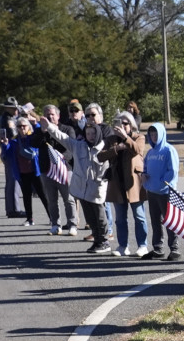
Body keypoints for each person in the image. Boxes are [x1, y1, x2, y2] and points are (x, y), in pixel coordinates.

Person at [39, 104, 111, 254]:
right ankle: (97, 240)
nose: (90, 136)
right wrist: (50, 128)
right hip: (81, 188)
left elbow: (104, 171)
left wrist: (98, 183)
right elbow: (62, 137)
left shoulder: (103, 149)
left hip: (96, 189)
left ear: (97, 134)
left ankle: (104, 241)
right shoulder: (79, 146)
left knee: (100, 217)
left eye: (93, 133)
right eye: (88, 133)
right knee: (90, 218)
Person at [99, 112, 149, 257]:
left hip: (133, 183)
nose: (122, 126)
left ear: (131, 125)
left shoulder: (138, 137)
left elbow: (137, 150)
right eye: (119, 123)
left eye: (125, 123)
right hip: (117, 182)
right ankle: (123, 246)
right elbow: (100, 156)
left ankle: (142, 245)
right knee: (120, 218)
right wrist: (116, 149)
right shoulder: (111, 139)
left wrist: (125, 138)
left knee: (139, 216)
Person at [32, 104, 78, 236]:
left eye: (52, 114)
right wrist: (43, 132)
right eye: (47, 114)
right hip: (47, 170)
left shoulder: (67, 129)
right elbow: (33, 143)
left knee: (68, 199)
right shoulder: (40, 130)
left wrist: (63, 158)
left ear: (58, 116)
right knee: (51, 199)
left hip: (65, 168)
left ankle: (72, 224)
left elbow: (71, 147)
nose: (50, 116)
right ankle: (55, 225)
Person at [142, 122, 181, 261]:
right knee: (155, 221)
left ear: (162, 134)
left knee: (169, 221)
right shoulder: (150, 152)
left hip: (165, 192)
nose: (153, 137)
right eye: (151, 134)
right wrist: (144, 174)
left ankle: (174, 249)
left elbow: (173, 170)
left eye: (156, 134)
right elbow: (145, 167)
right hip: (152, 192)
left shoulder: (169, 150)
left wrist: (163, 181)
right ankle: (158, 248)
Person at [11, 118, 49, 227]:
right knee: (26, 196)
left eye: (24, 125)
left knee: (43, 195)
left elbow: (39, 131)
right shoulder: (14, 140)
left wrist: (35, 123)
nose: (22, 128)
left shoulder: (32, 137)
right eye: (19, 126)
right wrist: (4, 145)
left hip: (35, 171)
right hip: (22, 172)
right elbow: (6, 153)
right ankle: (29, 219)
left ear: (28, 127)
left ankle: (52, 218)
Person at [0, 96, 24, 218]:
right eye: (13, 108)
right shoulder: (8, 119)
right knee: (13, 180)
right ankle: (13, 209)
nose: (16, 110)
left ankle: (11, 208)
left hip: (9, 150)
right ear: (7, 108)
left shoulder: (5, 118)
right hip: (11, 151)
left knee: (12, 181)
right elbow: (13, 134)